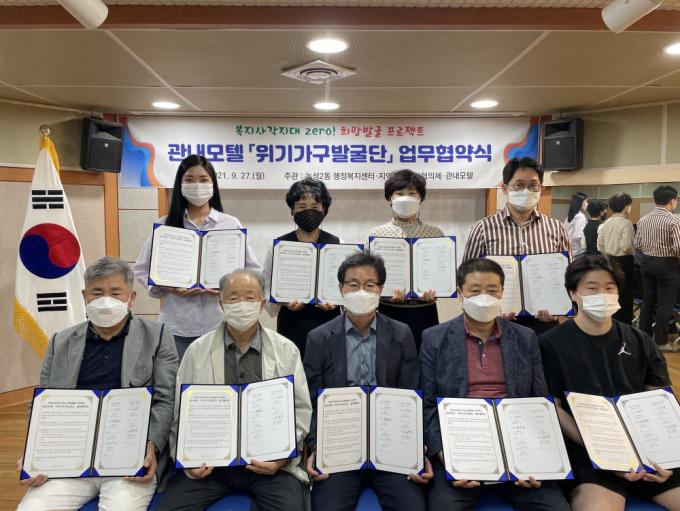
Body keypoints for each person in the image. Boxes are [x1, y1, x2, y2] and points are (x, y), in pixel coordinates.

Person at [17, 257, 178, 511]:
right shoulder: (60, 342)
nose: (106, 300)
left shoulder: (156, 336)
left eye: (115, 293)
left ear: (131, 298)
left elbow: (165, 399)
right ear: (85, 296)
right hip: (69, 456)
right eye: (97, 292)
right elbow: (42, 405)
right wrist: (34, 454)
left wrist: (151, 446)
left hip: (129, 456)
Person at [156, 268, 312, 511]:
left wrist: (281, 458)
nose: (241, 304)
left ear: (261, 304)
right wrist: (188, 460)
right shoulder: (197, 350)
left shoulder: (286, 349)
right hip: (211, 465)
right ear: (221, 304)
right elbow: (179, 412)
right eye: (233, 297)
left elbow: (301, 409)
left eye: (249, 297)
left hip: (269, 464)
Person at [420, 258, 569, 511]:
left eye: (492, 290)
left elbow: (539, 402)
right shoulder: (434, 338)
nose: (484, 298)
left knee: (556, 508)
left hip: (518, 444)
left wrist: (539, 460)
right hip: (463, 444)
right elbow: (428, 405)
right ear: (460, 294)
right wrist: (448, 459)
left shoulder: (525, 338)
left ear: (502, 292)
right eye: (475, 291)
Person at [539, 255, 680, 511]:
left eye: (609, 288)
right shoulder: (550, 343)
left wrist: (663, 454)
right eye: (592, 288)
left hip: (647, 448)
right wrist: (605, 451)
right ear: (573, 293)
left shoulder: (640, 340)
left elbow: (660, 401)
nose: (602, 295)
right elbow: (554, 407)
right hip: (589, 450)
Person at [303, 253, 432, 511]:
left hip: (391, 444)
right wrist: (316, 448)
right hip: (340, 445)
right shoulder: (318, 338)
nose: (361, 291)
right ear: (341, 288)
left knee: (413, 506)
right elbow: (312, 400)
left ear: (380, 289)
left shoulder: (401, 334)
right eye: (353, 284)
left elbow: (411, 395)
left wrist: (418, 450)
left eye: (369, 284)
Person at [134, 154, 260, 361]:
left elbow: (252, 270)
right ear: (180, 184)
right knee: (177, 379)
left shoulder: (231, 224)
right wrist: (169, 287)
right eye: (189, 180)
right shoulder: (165, 225)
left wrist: (228, 288)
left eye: (203, 180)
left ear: (213, 184)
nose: (197, 185)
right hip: (177, 326)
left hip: (221, 324)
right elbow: (141, 268)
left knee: (218, 379)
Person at [462, 157, 571, 334]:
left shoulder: (556, 228)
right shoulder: (482, 228)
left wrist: (560, 309)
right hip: (495, 321)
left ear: (541, 188)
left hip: (544, 322)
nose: (526, 191)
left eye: (533, 185)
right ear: (505, 189)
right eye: (518, 185)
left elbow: (568, 275)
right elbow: (467, 276)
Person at [261, 178, 341, 358]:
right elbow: (266, 284)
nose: (309, 212)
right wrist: (282, 301)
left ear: (324, 209)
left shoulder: (338, 244)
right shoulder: (278, 246)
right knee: (292, 367)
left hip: (330, 323)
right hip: (292, 324)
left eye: (315, 206)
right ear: (292, 209)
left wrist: (338, 302)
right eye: (302, 207)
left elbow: (347, 286)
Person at [367, 169, 443, 351]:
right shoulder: (376, 234)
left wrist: (436, 290)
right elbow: (369, 276)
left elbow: (441, 272)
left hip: (424, 311)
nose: (405, 198)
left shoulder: (435, 234)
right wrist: (383, 294)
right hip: (389, 311)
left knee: (426, 359)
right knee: (390, 362)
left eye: (412, 193)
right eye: (399, 193)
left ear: (421, 198)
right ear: (389, 198)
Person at [634, 185, 680, 352]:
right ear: (672, 201)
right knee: (665, 303)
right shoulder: (674, 221)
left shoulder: (643, 220)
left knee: (648, 301)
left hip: (646, 263)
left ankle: (643, 337)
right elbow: (678, 248)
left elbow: (637, 245)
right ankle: (661, 341)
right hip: (667, 265)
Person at [598, 193, 635, 324]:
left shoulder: (606, 223)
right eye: (629, 206)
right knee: (625, 295)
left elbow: (600, 245)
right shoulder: (627, 223)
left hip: (609, 261)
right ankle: (624, 324)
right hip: (624, 262)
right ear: (626, 207)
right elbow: (626, 247)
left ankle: (610, 321)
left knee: (611, 291)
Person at [564, 192, 588, 258]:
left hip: (567, 251)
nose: (587, 204)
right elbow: (578, 236)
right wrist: (584, 248)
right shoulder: (580, 216)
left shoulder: (569, 217)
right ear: (580, 202)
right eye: (586, 201)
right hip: (577, 253)